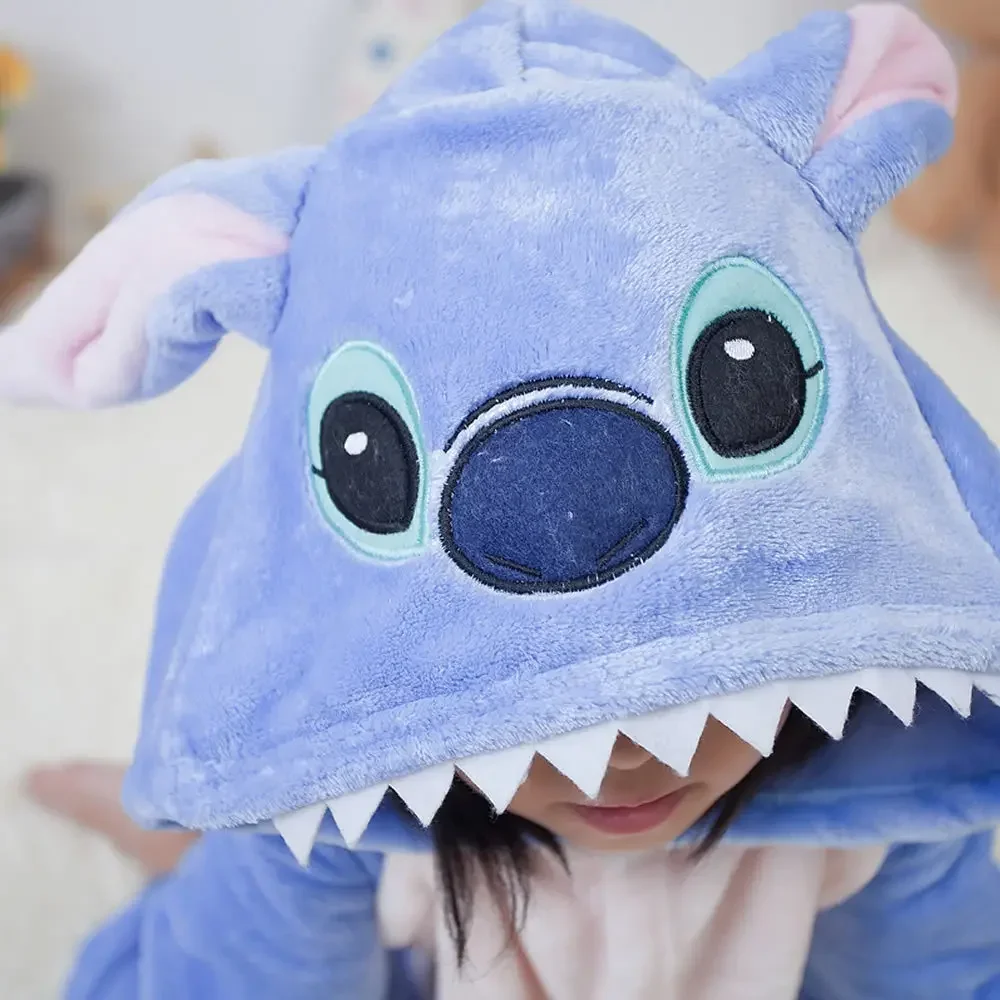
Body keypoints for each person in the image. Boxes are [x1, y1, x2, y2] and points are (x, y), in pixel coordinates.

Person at [6, 1, 1000, 997]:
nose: (625, 762)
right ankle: (142, 822)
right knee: (221, 863)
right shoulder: (365, 797)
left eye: (692, 693)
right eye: (552, 721)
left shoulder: (884, 780)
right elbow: (243, 975)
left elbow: (941, 973)